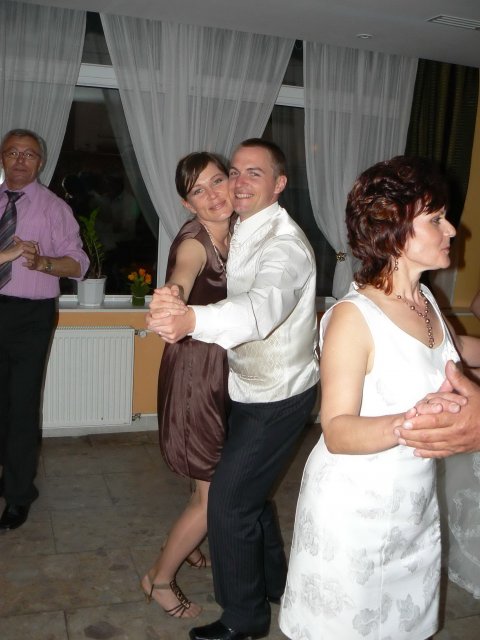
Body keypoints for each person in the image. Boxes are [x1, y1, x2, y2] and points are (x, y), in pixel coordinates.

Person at [279, 155, 480, 639]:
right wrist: (411, 422)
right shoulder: (354, 318)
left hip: (412, 506)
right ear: (395, 231)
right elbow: (337, 430)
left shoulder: (423, 300)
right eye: (436, 219)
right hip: (354, 514)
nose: (452, 230)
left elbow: (451, 355)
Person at [147, 139, 319, 640]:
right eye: (235, 172)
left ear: (279, 184)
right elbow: (186, 266)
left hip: (278, 393)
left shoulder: (284, 246)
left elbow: (260, 309)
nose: (237, 185)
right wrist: (173, 294)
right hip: (239, 384)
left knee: (226, 503)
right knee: (247, 493)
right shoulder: (241, 226)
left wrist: (189, 318)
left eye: (252, 174)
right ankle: (275, 583)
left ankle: (243, 620)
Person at [140, 152, 232, 618]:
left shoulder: (238, 231)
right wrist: (171, 296)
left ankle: (186, 543)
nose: (213, 195)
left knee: (207, 477)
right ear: (186, 203)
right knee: (213, 494)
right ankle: (158, 579)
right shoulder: (196, 241)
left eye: (217, 181)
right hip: (197, 373)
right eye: (199, 190)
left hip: (219, 368)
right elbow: (182, 275)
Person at [0, 128, 89, 531]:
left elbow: (79, 263)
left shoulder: (54, 208)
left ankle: (19, 495)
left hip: (30, 316)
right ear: (2, 158)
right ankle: (6, 476)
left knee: (21, 405)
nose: (20, 160)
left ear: (40, 162)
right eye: (13, 152)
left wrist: (43, 264)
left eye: (29, 154)